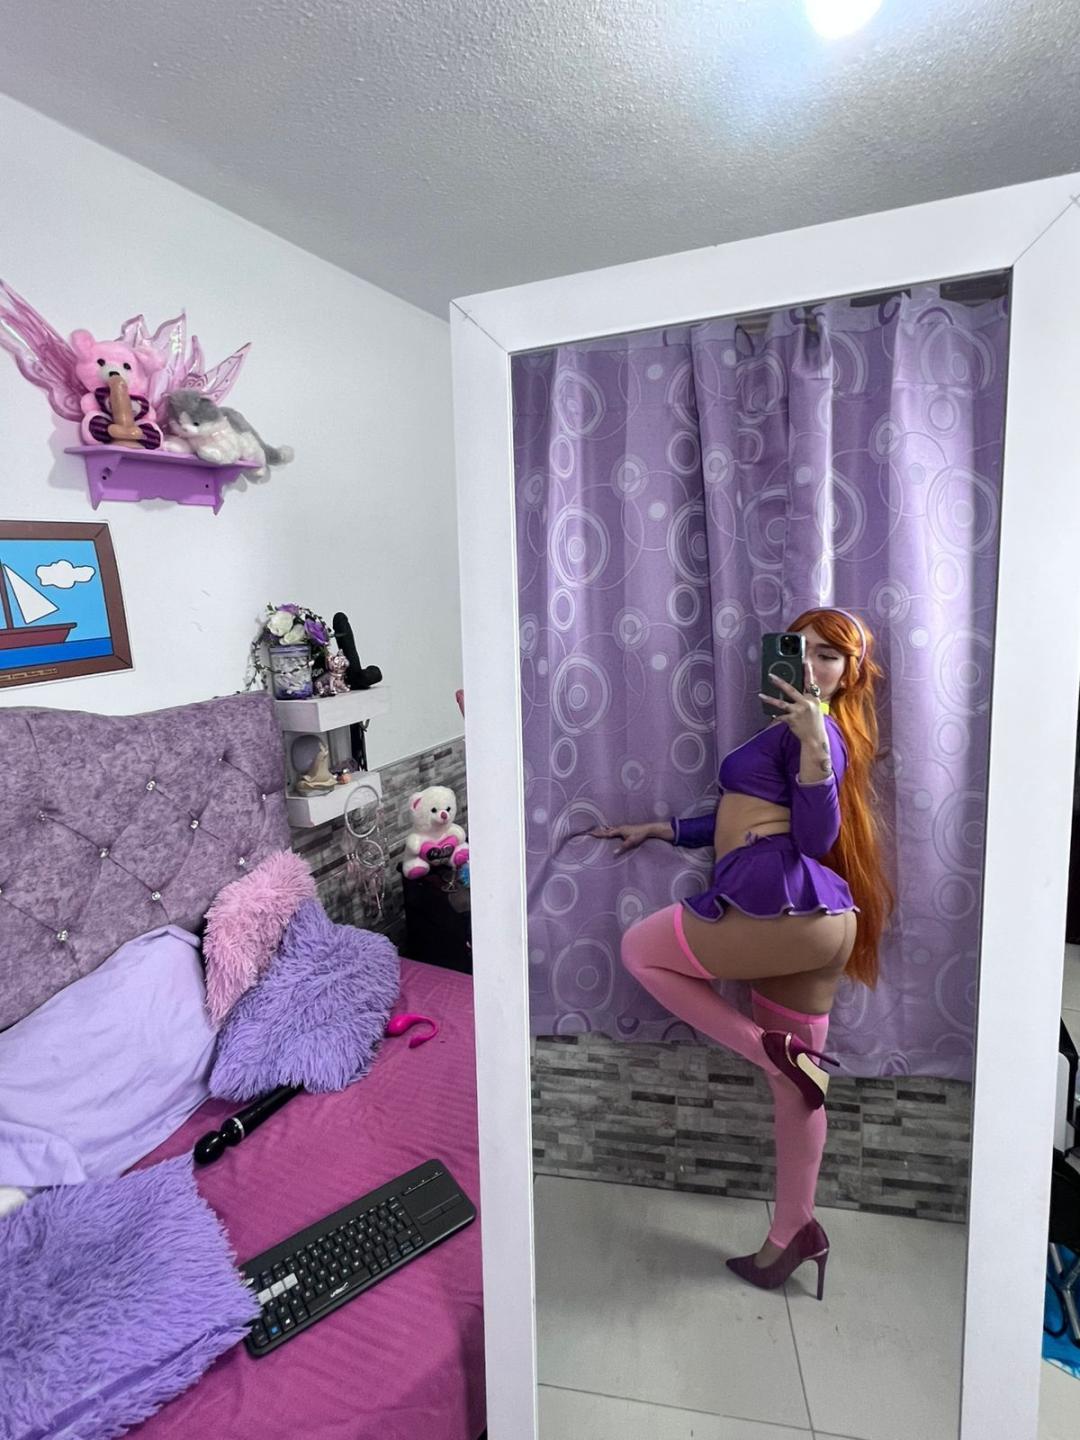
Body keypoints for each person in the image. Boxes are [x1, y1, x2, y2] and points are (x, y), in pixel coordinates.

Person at [591, 608, 892, 1299]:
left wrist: (816, 745)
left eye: (829, 656)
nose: (811, 666)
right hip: (815, 923)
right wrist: (665, 829)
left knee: (641, 951)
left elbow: (813, 838)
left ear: (850, 675)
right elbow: (744, 814)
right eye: (800, 649)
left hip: (780, 907)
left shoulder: (819, 735)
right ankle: (794, 1232)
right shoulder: (786, 733)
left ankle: (770, 1052)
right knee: (796, 1092)